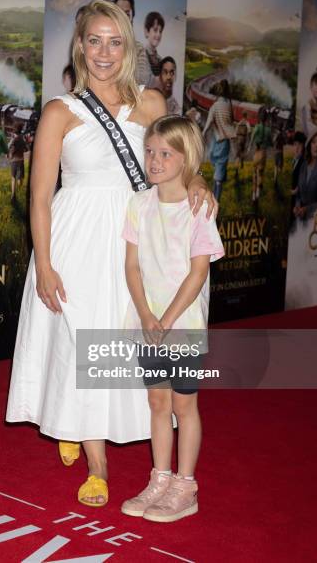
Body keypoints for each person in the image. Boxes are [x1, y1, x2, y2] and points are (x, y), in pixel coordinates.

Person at [5, 0, 216, 508]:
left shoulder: (150, 102)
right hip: (76, 242)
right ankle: (98, 464)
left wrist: (199, 183)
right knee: (83, 347)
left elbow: (176, 161)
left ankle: (112, 441)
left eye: (114, 41)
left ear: (127, 48)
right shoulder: (60, 110)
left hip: (136, 241)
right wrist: (46, 265)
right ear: (80, 46)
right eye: (93, 40)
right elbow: (39, 197)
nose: (103, 51)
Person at [121, 115, 224, 522]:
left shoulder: (198, 208)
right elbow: (131, 266)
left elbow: (198, 272)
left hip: (182, 326)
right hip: (149, 326)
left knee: (185, 404)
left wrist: (166, 318)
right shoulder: (138, 205)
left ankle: (185, 486)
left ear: (186, 159)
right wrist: (147, 316)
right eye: (150, 151)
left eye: (165, 154)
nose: (155, 160)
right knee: (157, 401)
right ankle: (159, 479)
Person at [202, 78, 235, 201]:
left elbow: (209, 122)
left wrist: (203, 133)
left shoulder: (215, 106)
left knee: (217, 169)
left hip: (216, 141)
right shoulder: (228, 105)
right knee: (219, 171)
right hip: (225, 142)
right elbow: (231, 121)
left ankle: (215, 200)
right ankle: (216, 196)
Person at [113, 0, 153, 87]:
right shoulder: (103, 45)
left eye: (126, 14)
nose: (123, 18)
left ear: (132, 16)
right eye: (119, 13)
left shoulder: (138, 48)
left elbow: (142, 81)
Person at [293, 130, 317, 220]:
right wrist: (297, 206)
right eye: (313, 142)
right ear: (308, 146)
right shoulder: (303, 165)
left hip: (314, 222)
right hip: (299, 221)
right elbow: (299, 194)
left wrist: (306, 209)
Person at [249, 107, 272, 202]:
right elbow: (271, 143)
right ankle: (258, 192)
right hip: (264, 153)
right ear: (266, 118)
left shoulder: (257, 127)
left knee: (254, 173)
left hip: (256, 153)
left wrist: (249, 147)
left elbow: (252, 138)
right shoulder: (268, 130)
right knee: (261, 173)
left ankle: (253, 195)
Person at [7, 123, 28, 204]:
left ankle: (13, 195)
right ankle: (19, 184)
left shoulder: (13, 139)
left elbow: (8, 147)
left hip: (14, 161)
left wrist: (9, 153)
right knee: (20, 179)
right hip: (21, 160)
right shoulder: (22, 139)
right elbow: (26, 149)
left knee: (13, 178)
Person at [290, 131, 306, 224]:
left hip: (295, 204)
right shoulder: (290, 160)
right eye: (295, 144)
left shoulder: (304, 164)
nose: (297, 148)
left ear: (303, 147)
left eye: (300, 145)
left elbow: (300, 188)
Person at [301, 72, 317, 137]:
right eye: (316, 84)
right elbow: (306, 130)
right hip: (310, 142)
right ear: (311, 87)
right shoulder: (307, 106)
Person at [144, 11, 165, 77]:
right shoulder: (140, 57)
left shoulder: (160, 60)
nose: (158, 34)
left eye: (160, 31)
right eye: (155, 30)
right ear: (147, 31)